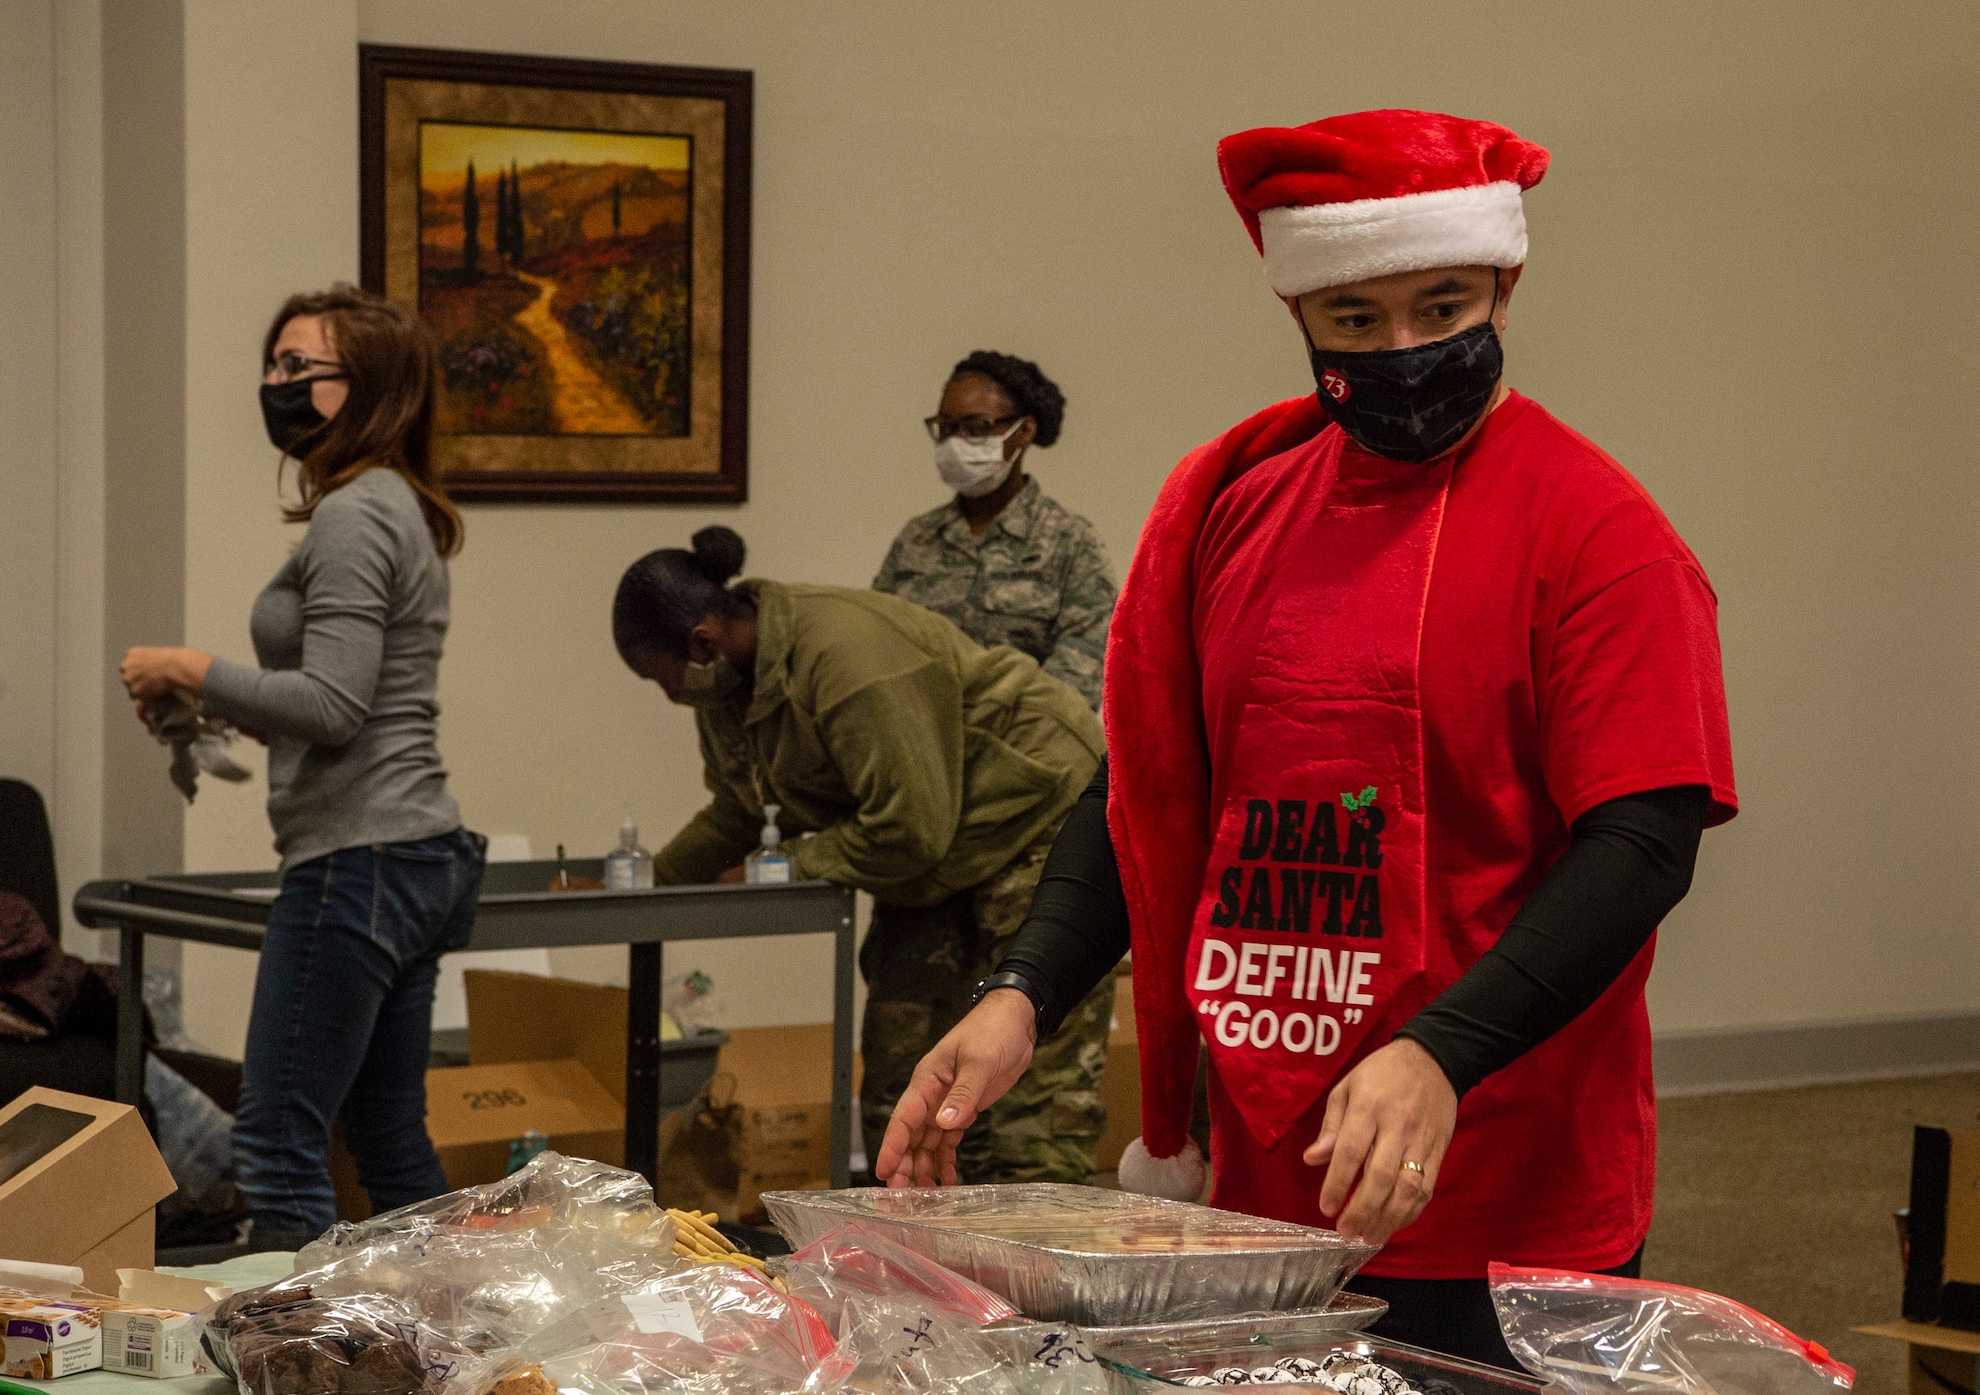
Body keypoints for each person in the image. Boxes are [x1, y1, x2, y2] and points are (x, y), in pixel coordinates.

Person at [875, 110, 1736, 1369]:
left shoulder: (1598, 537)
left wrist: (1442, 1051)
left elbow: (1643, 843)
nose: (1402, 351)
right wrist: (1022, 995)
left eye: (1441, 309)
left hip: (1501, 1190)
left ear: (1502, 286)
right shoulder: (1235, 513)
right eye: (1354, 322)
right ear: (1302, 321)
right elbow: (1146, 799)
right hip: (1260, 1193)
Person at [119, 285, 483, 1251]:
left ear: (364, 387)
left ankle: (303, 1360)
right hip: (414, 852)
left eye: (297, 369)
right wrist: (213, 704)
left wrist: (191, 666)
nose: (273, 386)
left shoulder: (357, 513)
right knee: (387, 1135)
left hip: (360, 862)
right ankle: (452, 1349)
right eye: (272, 366)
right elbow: (342, 703)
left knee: (279, 1139)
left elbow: (333, 704)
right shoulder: (389, 502)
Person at [613, 527, 1112, 1183]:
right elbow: (738, 810)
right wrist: (647, 883)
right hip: (936, 849)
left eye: (663, 679)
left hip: (1032, 813)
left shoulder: (848, 660)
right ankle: (929, 1268)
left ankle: (1035, 1264)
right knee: (901, 1089)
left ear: (702, 642)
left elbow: (911, 826)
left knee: (1032, 1110)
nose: (670, 694)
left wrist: (789, 864)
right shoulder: (726, 687)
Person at [874, 352, 1116, 711]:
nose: (954, 443)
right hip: (918, 750)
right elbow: (874, 651)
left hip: (1025, 756)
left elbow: (1079, 682)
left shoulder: (1070, 543)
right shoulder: (917, 539)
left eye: (976, 428)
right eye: (945, 427)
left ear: (1024, 431)